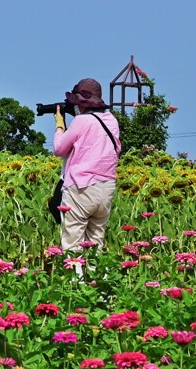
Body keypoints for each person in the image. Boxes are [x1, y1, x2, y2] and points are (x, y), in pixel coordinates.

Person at [53, 79, 120, 255]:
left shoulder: (82, 121)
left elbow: (60, 149)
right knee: (95, 243)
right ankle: (97, 279)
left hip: (81, 188)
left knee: (72, 243)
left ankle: (75, 281)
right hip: (106, 187)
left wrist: (60, 125)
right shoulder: (111, 120)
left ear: (80, 103)